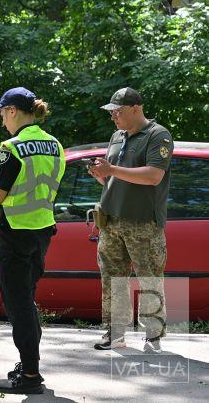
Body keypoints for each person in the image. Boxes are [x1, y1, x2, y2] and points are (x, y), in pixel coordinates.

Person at [0, 87, 65, 395]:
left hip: (14, 235)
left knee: (19, 307)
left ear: (12, 111)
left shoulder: (9, 147)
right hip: (42, 232)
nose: (1, 121)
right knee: (27, 302)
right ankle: (29, 365)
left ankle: (31, 376)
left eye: (2, 114)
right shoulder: (55, 145)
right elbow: (34, 181)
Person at [89, 87, 172, 354]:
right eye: (111, 112)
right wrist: (102, 174)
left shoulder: (157, 135)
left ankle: (153, 336)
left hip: (143, 222)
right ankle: (115, 332)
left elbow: (153, 176)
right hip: (111, 219)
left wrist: (112, 169)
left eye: (118, 112)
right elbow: (115, 177)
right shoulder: (117, 135)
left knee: (149, 277)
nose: (114, 117)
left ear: (136, 108)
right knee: (113, 278)